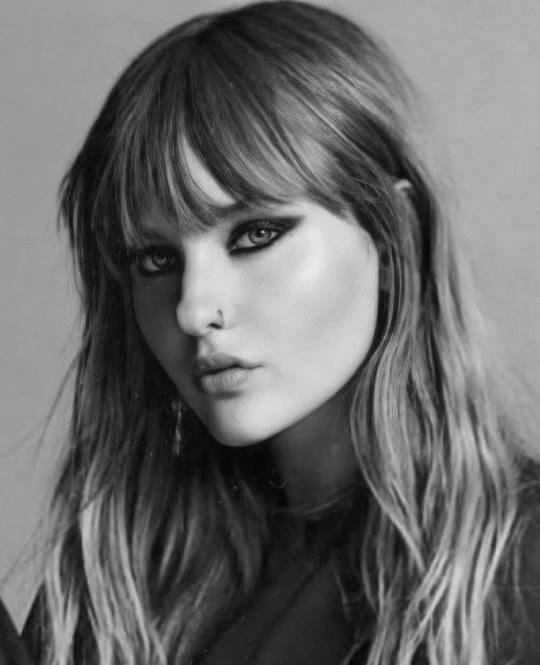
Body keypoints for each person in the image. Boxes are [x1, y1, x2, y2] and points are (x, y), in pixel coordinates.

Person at [1, 1, 539, 663]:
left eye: (256, 234)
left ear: (393, 238)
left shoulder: (517, 572)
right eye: (156, 261)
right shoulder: (115, 580)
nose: (193, 309)